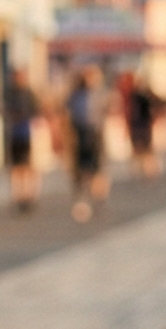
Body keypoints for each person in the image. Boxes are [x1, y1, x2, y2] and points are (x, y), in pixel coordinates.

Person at [66, 66, 110, 222]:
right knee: (81, 170)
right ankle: (82, 200)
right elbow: (68, 116)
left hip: (96, 135)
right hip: (80, 135)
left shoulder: (101, 94)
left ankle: (99, 198)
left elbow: (108, 113)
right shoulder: (75, 95)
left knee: (98, 169)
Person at [5, 67, 42, 211]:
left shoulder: (29, 94)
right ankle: (18, 195)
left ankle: (29, 194)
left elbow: (36, 113)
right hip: (14, 135)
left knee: (28, 166)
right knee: (16, 167)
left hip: (27, 134)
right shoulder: (9, 94)